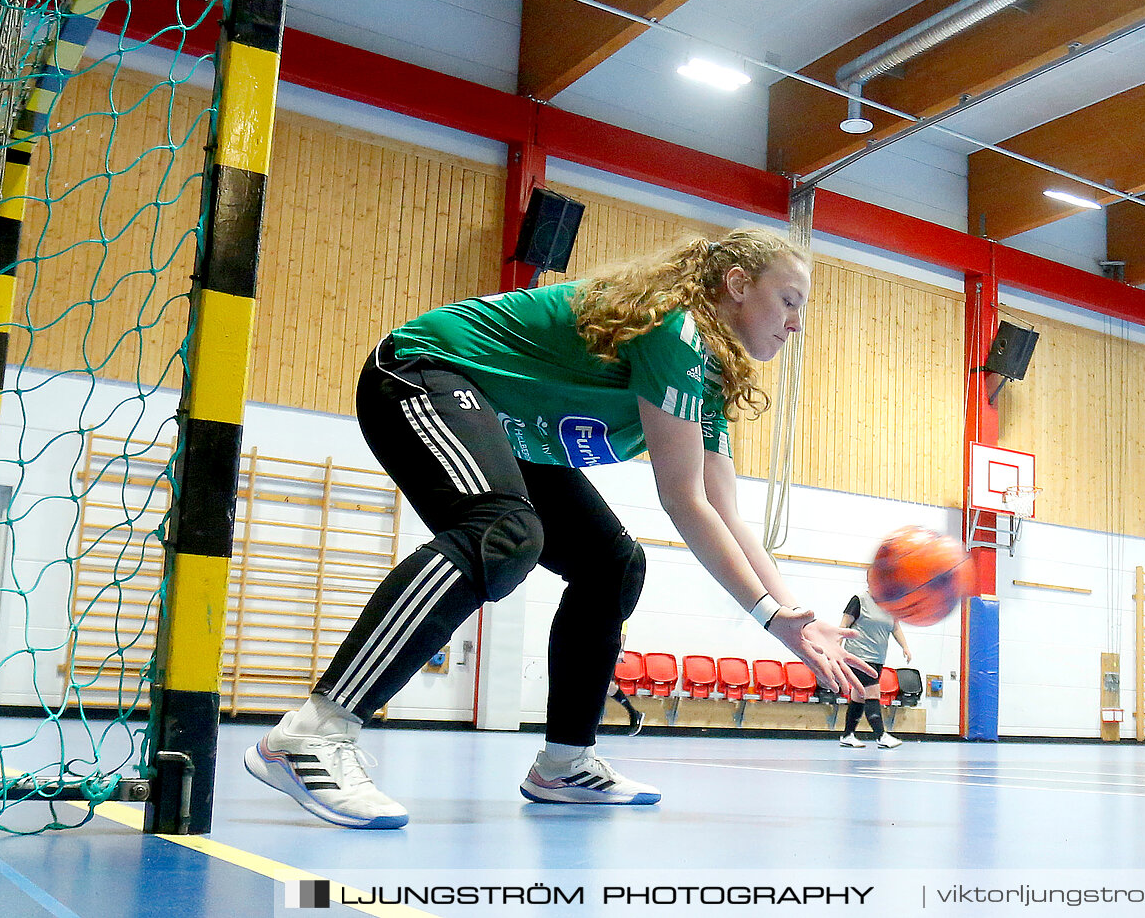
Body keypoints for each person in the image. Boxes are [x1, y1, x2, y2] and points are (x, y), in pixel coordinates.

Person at [247, 228, 870, 828]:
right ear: (737, 284)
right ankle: (311, 735)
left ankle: (564, 763)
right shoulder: (677, 332)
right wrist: (767, 616)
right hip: (419, 371)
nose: (797, 323)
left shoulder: (704, 373)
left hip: (506, 426)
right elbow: (683, 501)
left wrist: (794, 612)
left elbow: (724, 508)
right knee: (504, 531)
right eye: (789, 301)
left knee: (612, 562)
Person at [837, 590, 912, 748]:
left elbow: (895, 627)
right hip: (858, 655)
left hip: (877, 658)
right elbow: (844, 625)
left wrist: (905, 647)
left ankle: (847, 735)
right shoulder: (859, 600)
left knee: (859, 695)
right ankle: (880, 736)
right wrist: (837, 647)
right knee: (872, 692)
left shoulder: (890, 603)